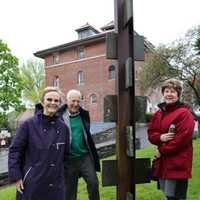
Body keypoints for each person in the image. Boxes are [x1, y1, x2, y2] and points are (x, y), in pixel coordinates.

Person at [8, 87, 70, 200]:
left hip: (56, 184)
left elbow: (66, 155)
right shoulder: (28, 125)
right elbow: (15, 151)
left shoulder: (63, 128)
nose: (53, 103)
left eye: (56, 101)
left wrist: (62, 175)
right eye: (49, 99)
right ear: (42, 102)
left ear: (60, 103)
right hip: (33, 183)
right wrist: (16, 176)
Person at [147, 79, 195, 200]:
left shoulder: (184, 113)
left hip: (178, 162)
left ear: (178, 94)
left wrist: (161, 150)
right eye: (166, 91)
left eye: (172, 91)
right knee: (167, 194)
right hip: (163, 163)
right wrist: (160, 137)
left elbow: (181, 140)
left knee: (176, 196)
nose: (169, 94)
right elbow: (151, 133)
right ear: (163, 94)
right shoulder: (159, 113)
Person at [57, 89, 100, 200]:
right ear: (67, 101)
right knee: (70, 191)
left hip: (84, 157)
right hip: (69, 159)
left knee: (93, 183)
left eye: (78, 101)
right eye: (73, 101)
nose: (76, 104)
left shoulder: (84, 114)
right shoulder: (59, 116)